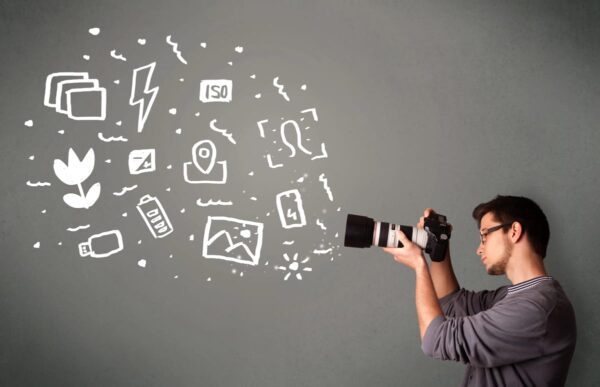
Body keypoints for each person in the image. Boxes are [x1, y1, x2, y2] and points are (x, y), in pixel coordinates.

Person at [383, 195, 577, 386]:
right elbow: (452, 301)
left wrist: (419, 265)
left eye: (485, 235)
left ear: (514, 231)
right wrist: (438, 244)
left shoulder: (536, 309)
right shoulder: (514, 296)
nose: (479, 249)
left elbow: (434, 340)